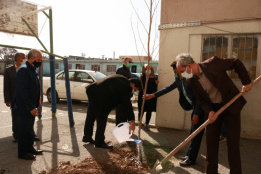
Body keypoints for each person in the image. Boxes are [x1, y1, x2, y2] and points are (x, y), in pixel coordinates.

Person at [176, 53, 252, 174]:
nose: (181, 74)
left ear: (189, 66)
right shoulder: (190, 80)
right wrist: (209, 111)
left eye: (181, 70)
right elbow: (201, 100)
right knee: (211, 144)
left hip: (230, 106)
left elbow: (236, 63)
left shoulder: (212, 64)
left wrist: (246, 82)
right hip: (213, 110)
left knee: (233, 144)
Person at [143, 61, 205, 166]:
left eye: (174, 70)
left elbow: (200, 97)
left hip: (201, 108)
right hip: (194, 107)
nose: (174, 72)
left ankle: (191, 159)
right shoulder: (178, 79)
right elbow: (167, 89)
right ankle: (189, 155)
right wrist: (152, 95)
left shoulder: (190, 77)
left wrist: (197, 114)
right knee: (193, 133)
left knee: (196, 134)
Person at [82, 75, 142, 149]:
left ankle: (87, 137)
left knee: (91, 116)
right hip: (99, 96)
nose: (135, 91)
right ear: (133, 84)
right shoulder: (127, 87)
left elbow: (121, 99)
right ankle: (99, 142)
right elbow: (127, 104)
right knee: (102, 118)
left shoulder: (123, 79)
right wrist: (132, 121)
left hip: (92, 90)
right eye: (135, 89)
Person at [12, 49, 43, 160]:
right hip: (24, 107)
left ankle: (30, 148)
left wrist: (37, 101)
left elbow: (33, 86)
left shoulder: (31, 68)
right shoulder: (23, 70)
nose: (40, 62)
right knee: (24, 130)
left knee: (29, 129)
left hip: (31, 105)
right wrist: (30, 107)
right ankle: (23, 153)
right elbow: (23, 91)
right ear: (31, 59)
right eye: (38, 60)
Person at [4, 53, 25, 142]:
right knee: (15, 117)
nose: (25, 60)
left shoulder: (26, 69)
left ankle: (29, 133)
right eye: (23, 58)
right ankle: (16, 135)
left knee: (26, 117)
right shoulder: (9, 70)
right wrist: (7, 100)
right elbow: (6, 86)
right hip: (14, 98)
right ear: (18, 59)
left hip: (25, 98)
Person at [138, 64, 158, 131]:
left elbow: (155, 88)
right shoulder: (142, 77)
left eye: (149, 68)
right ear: (144, 69)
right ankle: (139, 123)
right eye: (146, 68)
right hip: (142, 96)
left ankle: (146, 124)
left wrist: (156, 84)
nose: (148, 70)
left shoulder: (155, 77)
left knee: (149, 111)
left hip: (151, 96)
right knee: (141, 110)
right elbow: (141, 86)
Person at [115, 57, 133, 125]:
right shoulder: (120, 70)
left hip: (127, 95)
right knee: (120, 115)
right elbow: (120, 82)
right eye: (129, 62)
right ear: (124, 62)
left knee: (125, 115)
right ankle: (119, 129)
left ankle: (123, 129)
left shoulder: (128, 70)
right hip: (121, 96)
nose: (131, 63)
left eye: (131, 62)